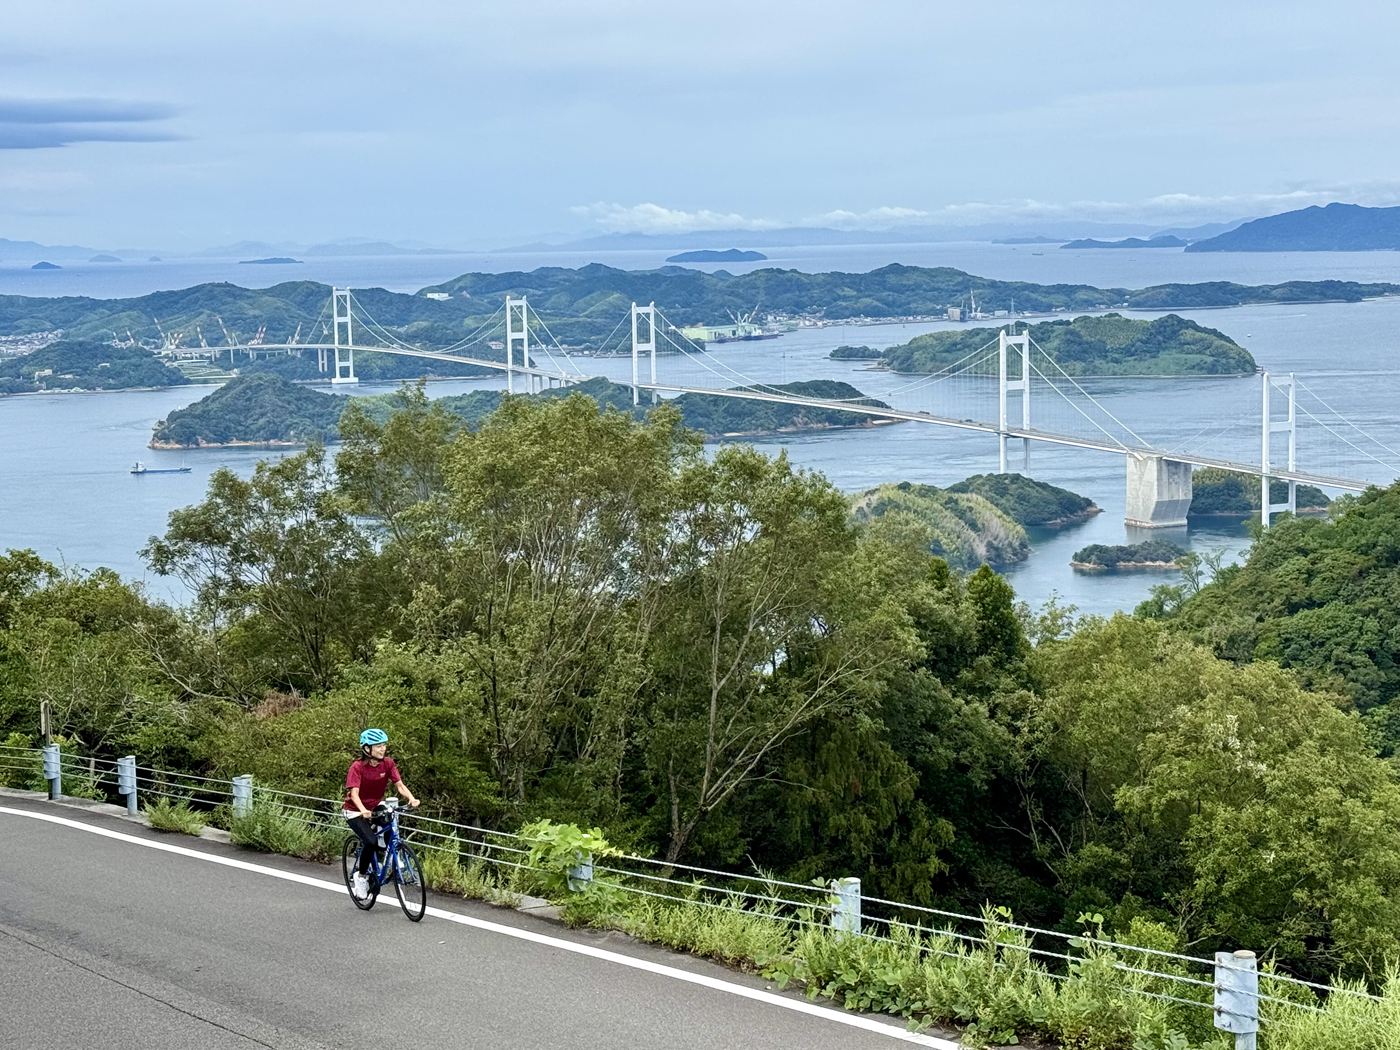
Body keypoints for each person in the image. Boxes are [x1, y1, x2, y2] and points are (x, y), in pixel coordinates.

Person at [344, 728, 420, 899]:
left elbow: (399, 785)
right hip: (355, 810)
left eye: (384, 745)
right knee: (370, 841)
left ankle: (392, 856)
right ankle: (361, 877)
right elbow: (354, 794)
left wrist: (411, 798)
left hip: (375, 805)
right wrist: (363, 810)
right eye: (378, 746)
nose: (383, 749)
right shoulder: (357, 767)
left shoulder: (388, 764)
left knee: (389, 821)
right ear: (367, 749)